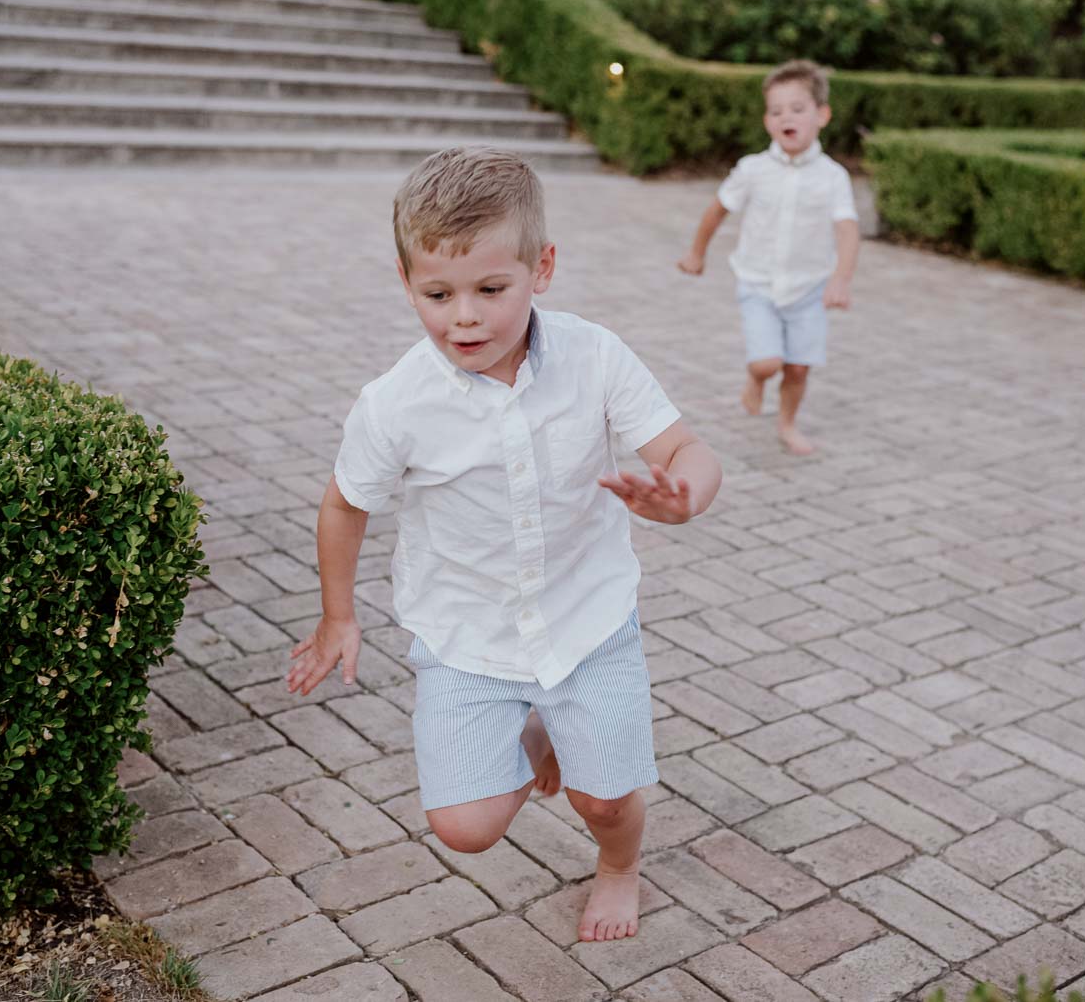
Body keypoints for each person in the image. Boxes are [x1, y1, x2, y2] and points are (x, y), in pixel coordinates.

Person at [285, 146, 722, 942]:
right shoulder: (396, 403)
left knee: (604, 800)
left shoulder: (595, 356)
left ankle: (620, 865)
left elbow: (687, 450)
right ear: (404, 279)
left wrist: (681, 495)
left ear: (541, 267)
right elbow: (344, 505)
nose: (465, 317)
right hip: (468, 638)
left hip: (587, 623)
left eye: (492, 289)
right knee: (464, 825)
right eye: (437, 293)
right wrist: (336, 615)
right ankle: (535, 726)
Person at [677, 58, 861, 455]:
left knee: (797, 367)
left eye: (797, 109)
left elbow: (847, 228)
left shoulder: (832, 177)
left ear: (822, 115)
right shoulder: (753, 169)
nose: (786, 117)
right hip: (757, 283)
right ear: (767, 121)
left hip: (808, 288)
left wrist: (841, 278)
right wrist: (696, 253)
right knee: (768, 362)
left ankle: (787, 423)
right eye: (776, 111)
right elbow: (718, 209)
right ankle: (756, 379)